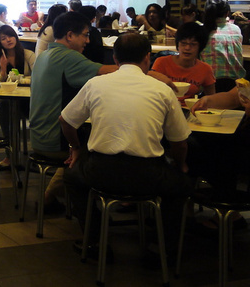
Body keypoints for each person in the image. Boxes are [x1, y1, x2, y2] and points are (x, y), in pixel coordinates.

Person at [61, 32, 191, 254]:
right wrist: (180, 165)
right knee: (181, 186)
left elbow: (66, 120)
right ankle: (161, 249)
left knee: (71, 177)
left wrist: (76, 148)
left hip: (100, 171)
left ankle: (95, 240)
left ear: (115, 58)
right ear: (147, 58)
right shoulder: (162, 90)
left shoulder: (95, 84)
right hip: (148, 175)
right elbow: (179, 142)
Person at [29, 12, 119, 209]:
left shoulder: (43, 56)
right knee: (105, 147)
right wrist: (146, 70)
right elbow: (109, 72)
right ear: (70, 35)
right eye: (85, 35)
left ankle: (49, 198)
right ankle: (100, 209)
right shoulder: (69, 57)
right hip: (56, 141)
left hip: (37, 137)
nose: (88, 40)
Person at [0, 24, 36, 166]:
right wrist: (3, 69)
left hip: (29, 98)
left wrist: (21, 79)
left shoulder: (28, 55)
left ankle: (38, 151)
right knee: (2, 104)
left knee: (7, 107)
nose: (8, 40)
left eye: (11, 36)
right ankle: (10, 153)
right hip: (10, 98)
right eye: (3, 38)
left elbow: (38, 76)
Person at [151, 22, 215, 102]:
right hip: (164, 106)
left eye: (193, 44)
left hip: (189, 108)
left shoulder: (205, 69)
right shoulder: (162, 62)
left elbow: (212, 98)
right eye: (183, 43)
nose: (187, 48)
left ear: (200, 47)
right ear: (178, 44)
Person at [200, 0, 245, 92]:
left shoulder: (201, 30)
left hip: (209, 86)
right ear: (227, 13)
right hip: (236, 86)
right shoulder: (236, 29)